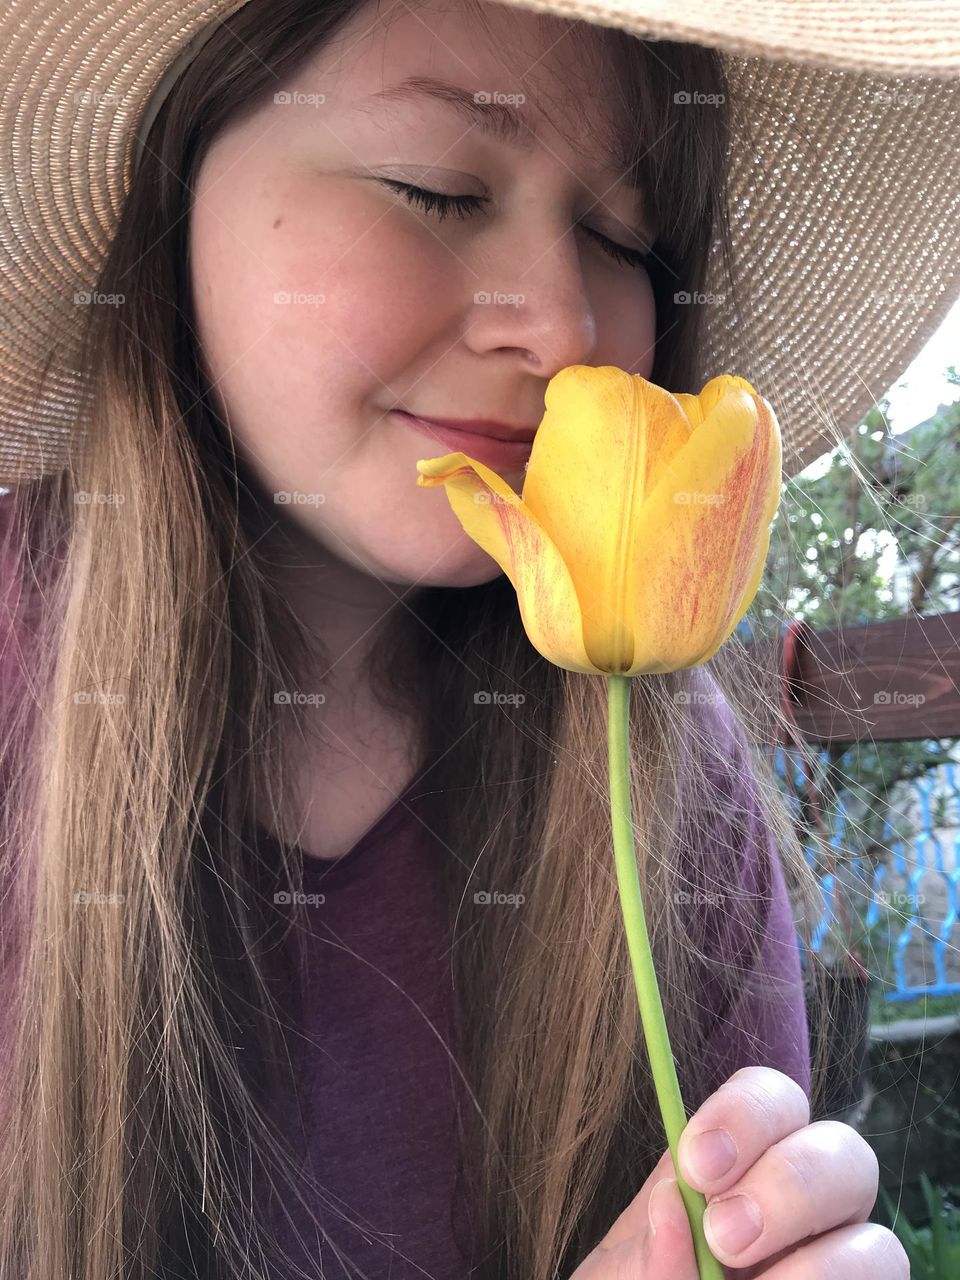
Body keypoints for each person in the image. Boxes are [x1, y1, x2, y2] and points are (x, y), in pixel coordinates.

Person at [2, 0, 952, 1276]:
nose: (560, 330)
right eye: (437, 188)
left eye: (624, 237)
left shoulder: (671, 786)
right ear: (170, 190)